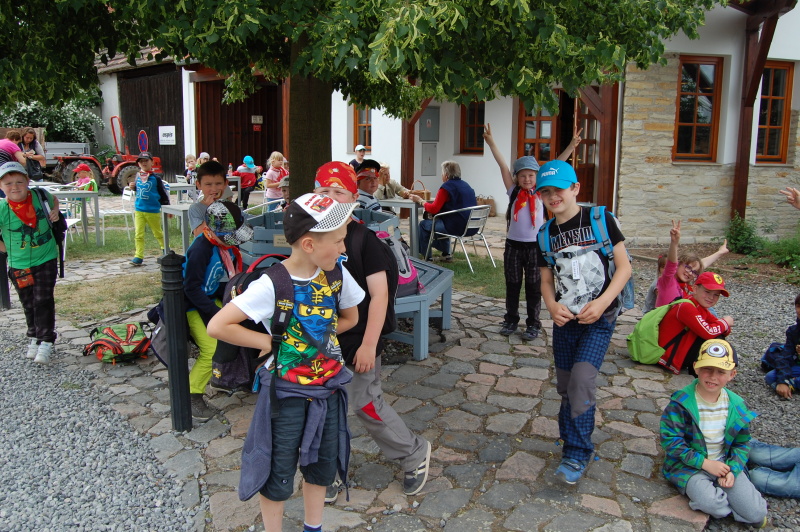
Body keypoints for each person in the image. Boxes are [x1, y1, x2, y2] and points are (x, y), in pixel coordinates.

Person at [207, 193, 364, 532]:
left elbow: (350, 318)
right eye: (338, 241)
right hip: (286, 395)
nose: (343, 249)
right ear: (309, 244)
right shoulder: (272, 284)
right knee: (277, 471)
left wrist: (317, 338)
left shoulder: (337, 275)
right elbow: (218, 325)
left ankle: (313, 527)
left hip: (327, 390)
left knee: (321, 467)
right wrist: (271, 342)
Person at [314, 162, 432, 501]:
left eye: (338, 192)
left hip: (361, 339)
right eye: (323, 191)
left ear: (354, 198)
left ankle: (413, 452)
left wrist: (369, 344)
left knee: (365, 402)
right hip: (323, 339)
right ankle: (329, 470)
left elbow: (380, 296)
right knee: (322, 406)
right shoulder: (314, 238)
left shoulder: (365, 241)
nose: (331, 198)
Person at [534, 159, 632, 484]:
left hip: (600, 319)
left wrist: (602, 303)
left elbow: (624, 268)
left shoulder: (600, 219)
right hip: (565, 322)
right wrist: (551, 306)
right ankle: (569, 439)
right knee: (566, 386)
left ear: (575, 188)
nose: (553, 196)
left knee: (581, 381)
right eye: (545, 192)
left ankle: (577, 453)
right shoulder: (544, 234)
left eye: (559, 189)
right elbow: (546, 280)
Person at [483, 122, 581, 340]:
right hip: (513, 246)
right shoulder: (513, 192)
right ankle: (511, 319)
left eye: (531, 175)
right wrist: (491, 143)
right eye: (523, 176)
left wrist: (572, 146)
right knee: (513, 284)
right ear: (517, 178)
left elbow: (557, 164)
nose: (527, 179)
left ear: (538, 177)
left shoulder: (541, 193)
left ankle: (533, 324)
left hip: (536, 247)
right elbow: (502, 166)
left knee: (534, 287)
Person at [660, 339, 768, 528]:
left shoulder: (737, 405)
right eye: (707, 369)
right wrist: (705, 464)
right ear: (696, 367)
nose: (712, 377)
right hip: (690, 466)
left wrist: (733, 469)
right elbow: (671, 442)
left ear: (732, 374)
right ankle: (725, 503)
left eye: (721, 372)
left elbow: (742, 443)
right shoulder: (680, 403)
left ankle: (735, 502)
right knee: (713, 505)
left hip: (724, 464)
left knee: (756, 514)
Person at [184, 200, 253, 421]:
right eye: (230, 236)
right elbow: (190, 288)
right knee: (211, 348)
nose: (234, 241)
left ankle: (228, 376)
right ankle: (191, 395)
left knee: (242, 326)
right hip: (191, 306)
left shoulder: (221, 247)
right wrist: (215, 314)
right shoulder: (200, 250)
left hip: (209, 299)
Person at [0, 161, 62, 364]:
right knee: (28, 302)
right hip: (19, 265)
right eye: (8, 183)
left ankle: (46, 340)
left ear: (27, 181)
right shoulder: (2, 208)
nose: (15, 187)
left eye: (19, 181)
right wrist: (7, 250)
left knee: (43, 299)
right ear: (1, 186)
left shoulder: (39, 195)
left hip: (46, 258)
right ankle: (34, 336)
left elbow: (54, 200)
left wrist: (54, 211)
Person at [658, 271, 733, 375]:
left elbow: (720, 328)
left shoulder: (699, 305)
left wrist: (723, 325)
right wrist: (725, 322)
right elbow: (709, 332)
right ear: (695, 289)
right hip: (669, 357)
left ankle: (711, 373)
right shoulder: (686, 306)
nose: (711, 297)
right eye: (707, 292)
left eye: (716, 295)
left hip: (678, 352)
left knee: (717, 337)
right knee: (714, 340)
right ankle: (705, 375)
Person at [410, 160, 477, 262]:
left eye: (442, 173)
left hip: (457, 228)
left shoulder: (446, 188)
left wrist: (420, 200)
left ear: (446, 175)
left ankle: (427, 257)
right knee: (441, 221)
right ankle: (446, 254)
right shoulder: (466, 186)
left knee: (424, 225)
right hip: (472, 226)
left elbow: (434, 209)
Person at [645, 235, 729, 313]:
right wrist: (674, 243)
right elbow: (671, 265)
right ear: (678, 264)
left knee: (707, 308)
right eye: (688, 268)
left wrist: (720, 252)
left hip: (674, 315)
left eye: (694, 272)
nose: (690, 273)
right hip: (653, 319)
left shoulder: (682, 282)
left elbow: (699, 265)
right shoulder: (667, 281)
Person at [130, 152, 169, 266]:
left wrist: (167, 207)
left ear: (152, 162)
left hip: (152, 210)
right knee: (138, 234)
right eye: (141, 161)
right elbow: (139, 190)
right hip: (139, 209)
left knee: (158, 232)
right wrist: (133, 187)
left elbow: (163, 194)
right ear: (138, 164)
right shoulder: (138, 176)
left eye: (146, 161)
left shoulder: (156, 178)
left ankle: (165, 249)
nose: (144, 163)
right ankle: (138, 256)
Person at [764, 293, 800, 399]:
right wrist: (782, 381)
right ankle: (790, 385)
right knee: (771, 376)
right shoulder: (793, 331)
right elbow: (785, 356)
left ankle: (792, 384)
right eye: (798, 306)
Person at [189, 161, 233, 237]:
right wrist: (212, 210)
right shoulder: (195, 208)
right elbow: (198, 233)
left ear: (225, 183)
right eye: (208, 184)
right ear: (199, 185)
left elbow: (246, 220)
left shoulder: (229, 206)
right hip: (205, 245)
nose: (214, 189)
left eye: (218, 183)